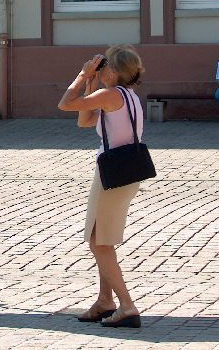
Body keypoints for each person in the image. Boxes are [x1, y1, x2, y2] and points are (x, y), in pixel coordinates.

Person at [58, 45, 144, 328]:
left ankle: (127, 306)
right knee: (103, 238)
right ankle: (105, 300)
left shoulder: (109, 94)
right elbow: (85, 120)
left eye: (104, 67)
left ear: (115, 72)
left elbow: (65, 104)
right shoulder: (129, 96)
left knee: (99, 242)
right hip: (127, 170)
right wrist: (93, 82)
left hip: (111, 174)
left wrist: (82, 77)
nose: (101, 69)